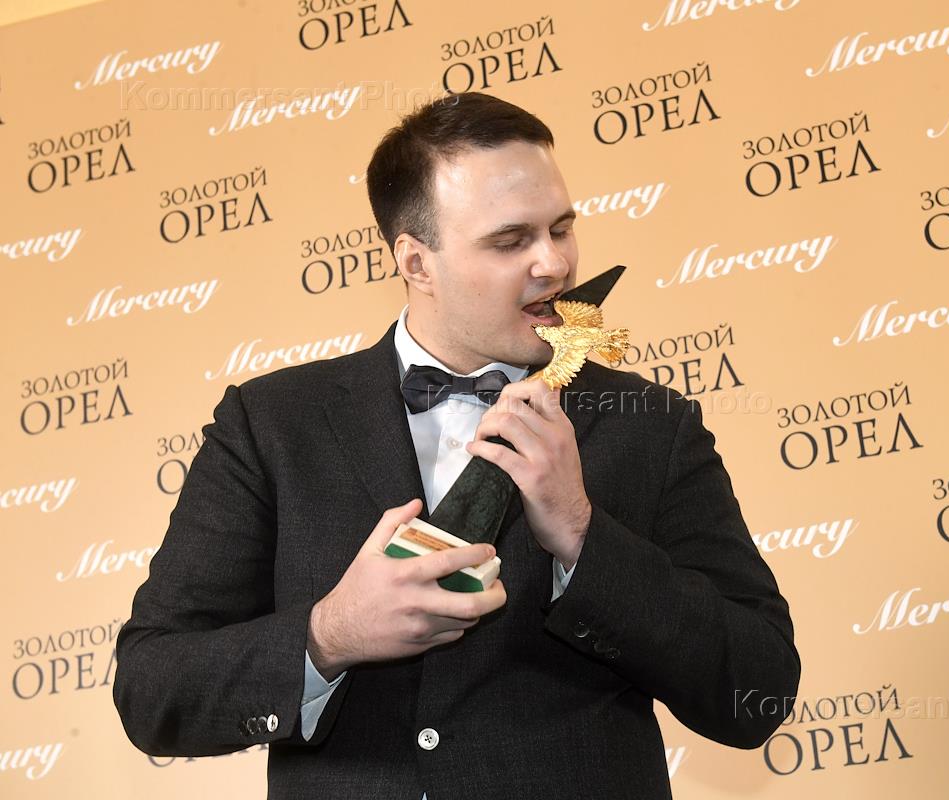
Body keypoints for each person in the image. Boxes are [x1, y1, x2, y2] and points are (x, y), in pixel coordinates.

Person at [113, 91, 800, 799]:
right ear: (416, 263)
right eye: (510, 241)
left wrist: (582, 536)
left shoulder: (650, 423)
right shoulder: (272, 424)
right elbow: (151, 688)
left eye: (561, 229)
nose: (553, 264)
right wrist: (331, 634)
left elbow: (759, 690)